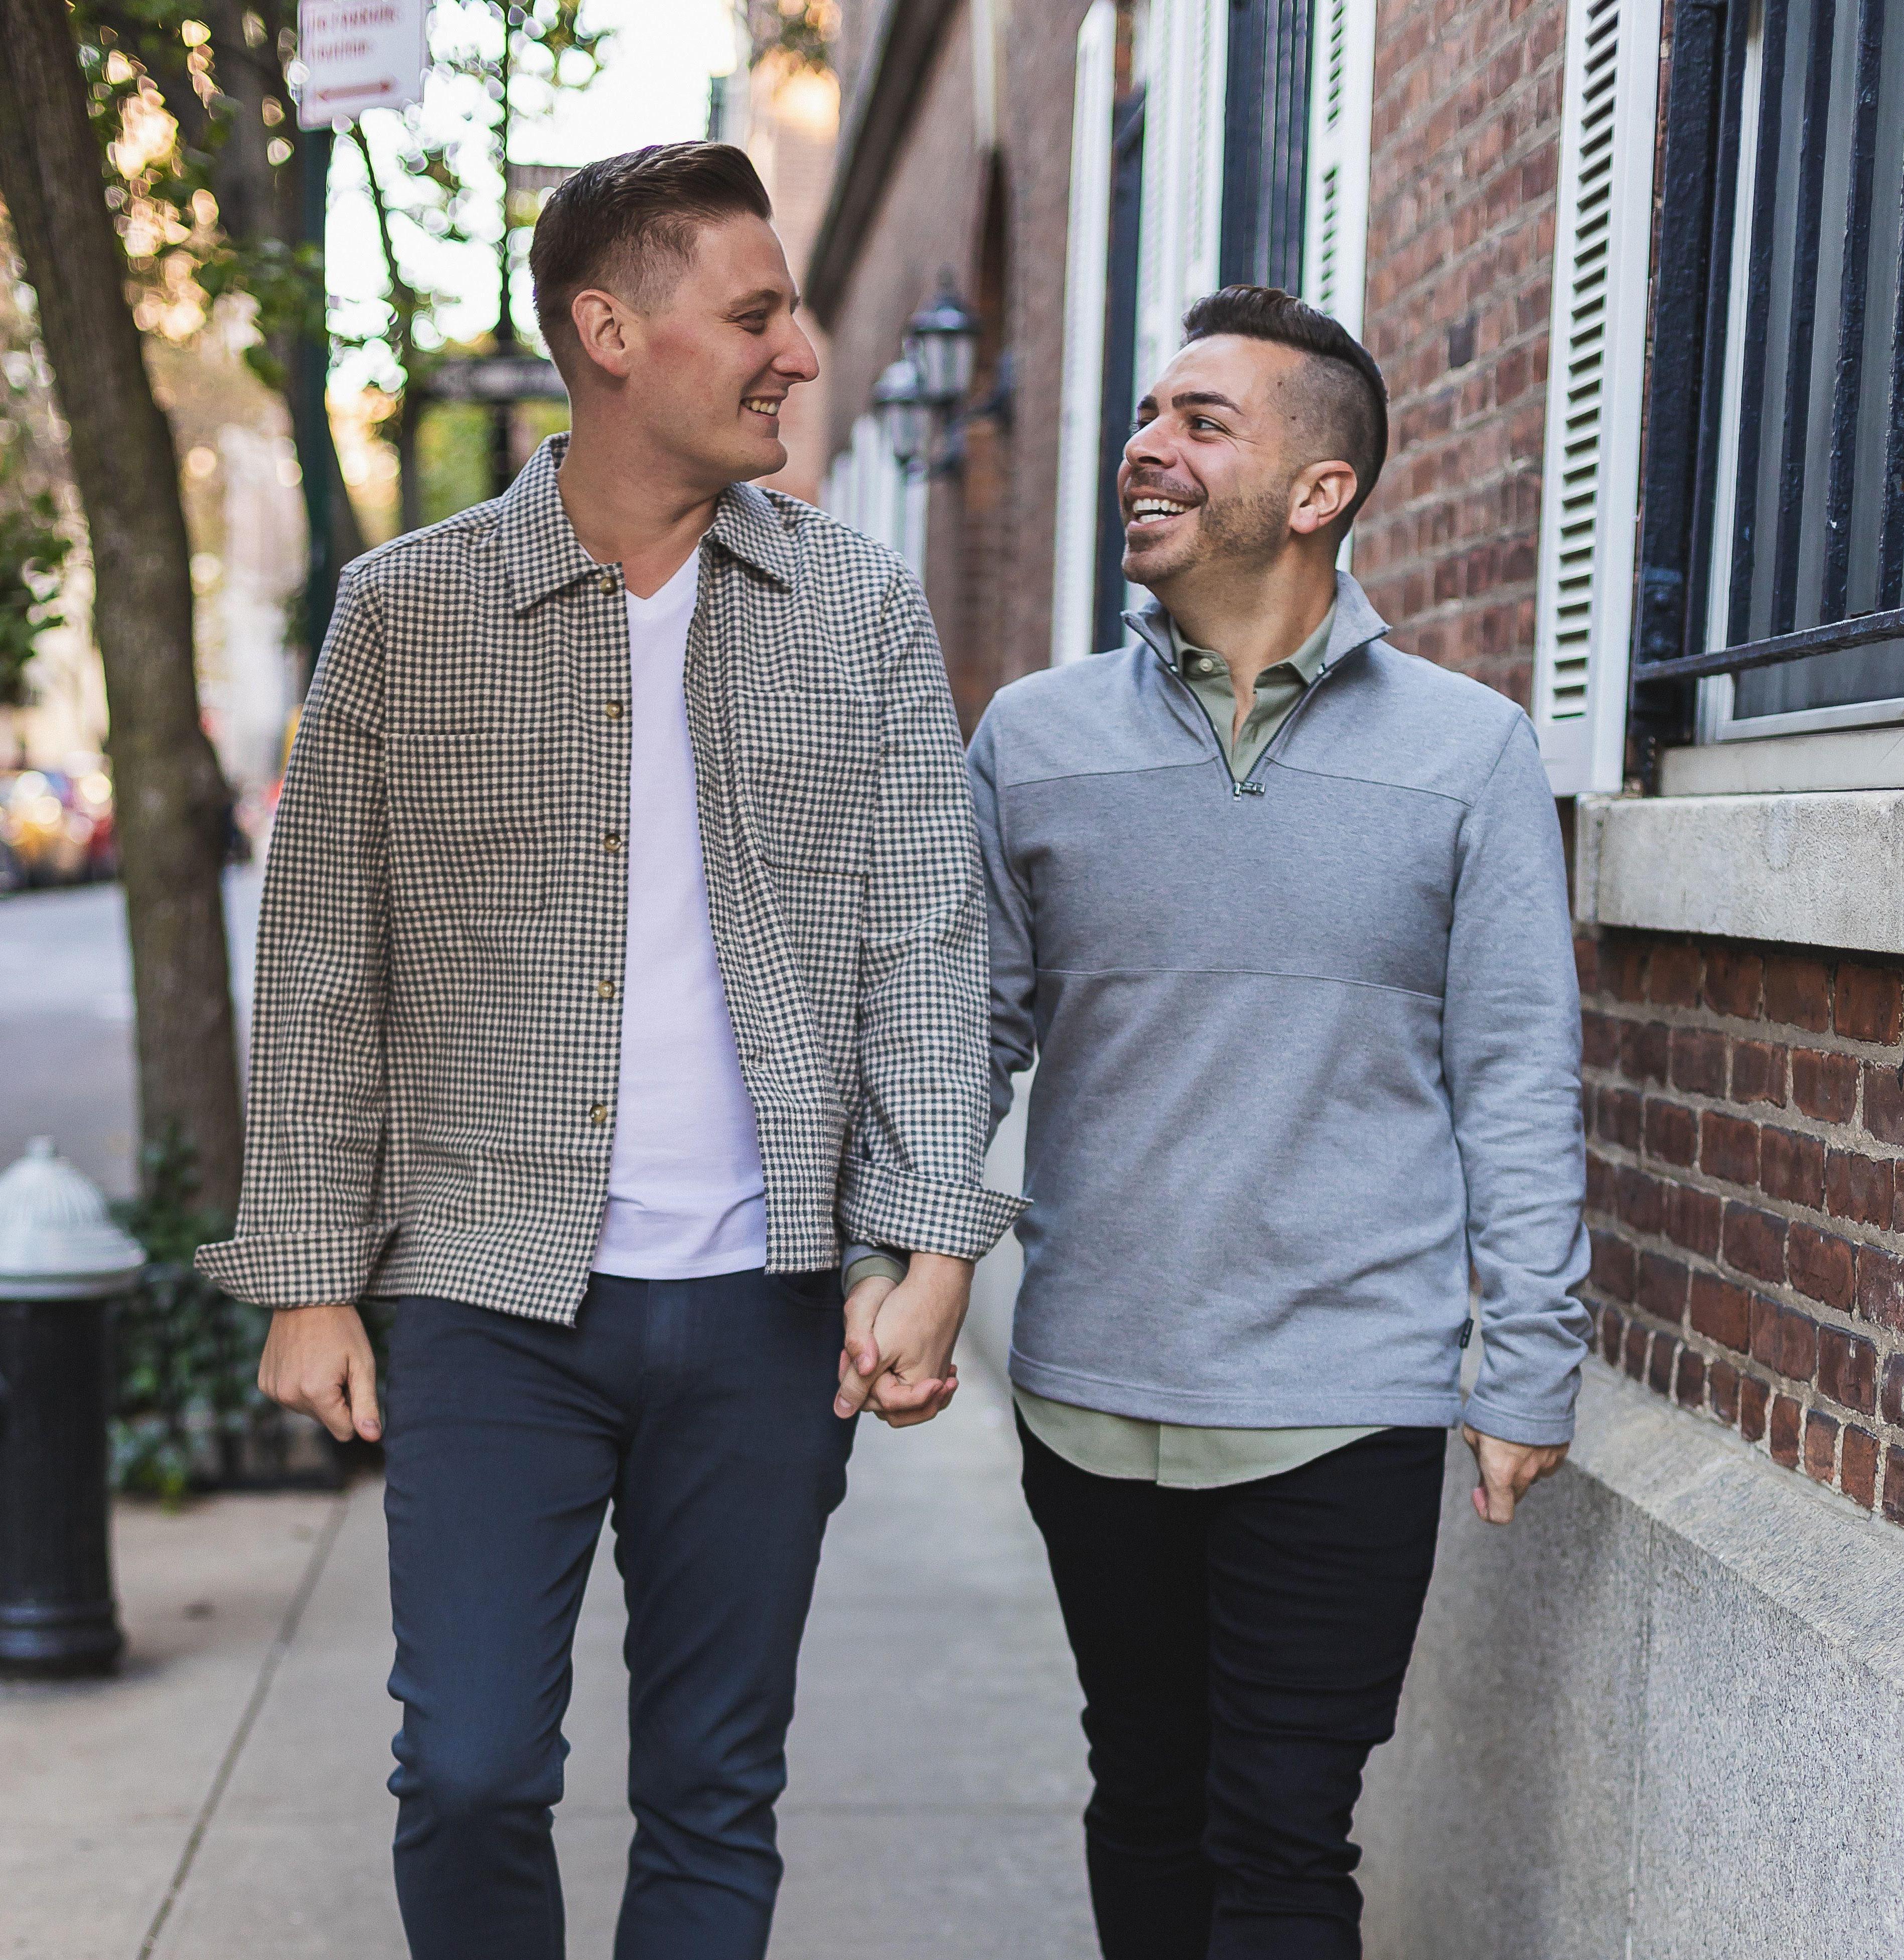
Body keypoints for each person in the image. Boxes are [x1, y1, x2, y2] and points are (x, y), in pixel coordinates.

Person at [196, 143, 1018, 1960]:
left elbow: (922, 942)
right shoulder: (408, 612)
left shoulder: (860, 608)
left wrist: (933, 1243)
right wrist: (312, 1275)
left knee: (714, 1785)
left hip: (765, 1302)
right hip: (491, 1299)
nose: (798, 353)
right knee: (470, 1765)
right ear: (610, 333)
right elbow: (323, 958)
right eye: (755, 313)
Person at [966, 286, 1590, 1959]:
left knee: (1282, 1829)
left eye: (1200, 422)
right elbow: (968, 1039)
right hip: (1093, 1386)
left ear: (1320, 491)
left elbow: (1516, 1068)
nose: (1144, 447)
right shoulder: (1032, 739)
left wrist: (1528, 1359)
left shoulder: (1468, 754)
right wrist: (913, 1260)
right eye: (1145, 414)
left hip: (1343, 1393)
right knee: (1144, 1796)